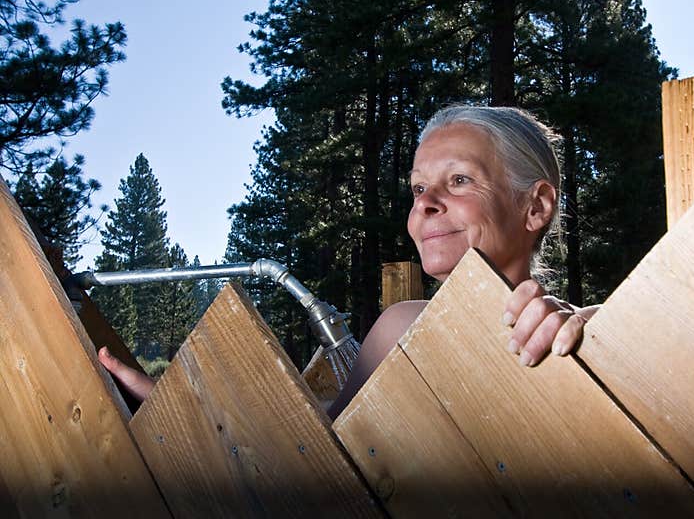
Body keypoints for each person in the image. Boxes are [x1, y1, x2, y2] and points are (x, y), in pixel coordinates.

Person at [98, 105, 599, 417]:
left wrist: (594, 331)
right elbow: (315, 444)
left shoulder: (584, 336)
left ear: (535, 206)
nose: (425, 202)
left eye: (460, 180)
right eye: (419, 188)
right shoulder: (401, 327)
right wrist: (177, 402)